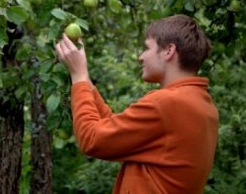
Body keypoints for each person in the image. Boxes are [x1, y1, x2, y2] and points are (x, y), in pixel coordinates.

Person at [55, 14, 219, 194]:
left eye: (147, 48)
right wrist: (86, 82)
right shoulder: (202, 104)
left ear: (168, 51)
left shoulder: (167, 103)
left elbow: (91, 139)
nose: (141, 57)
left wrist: (78, 77)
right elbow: (116, 132)